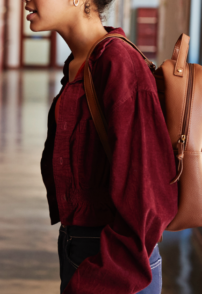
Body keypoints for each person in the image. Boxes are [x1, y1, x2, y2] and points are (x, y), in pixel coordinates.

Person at [26, 0, 178, 293]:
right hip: (78, 248)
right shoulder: (79, 63)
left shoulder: (118, 62)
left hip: (116, 267)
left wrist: (101, 278)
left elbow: (147, 194)